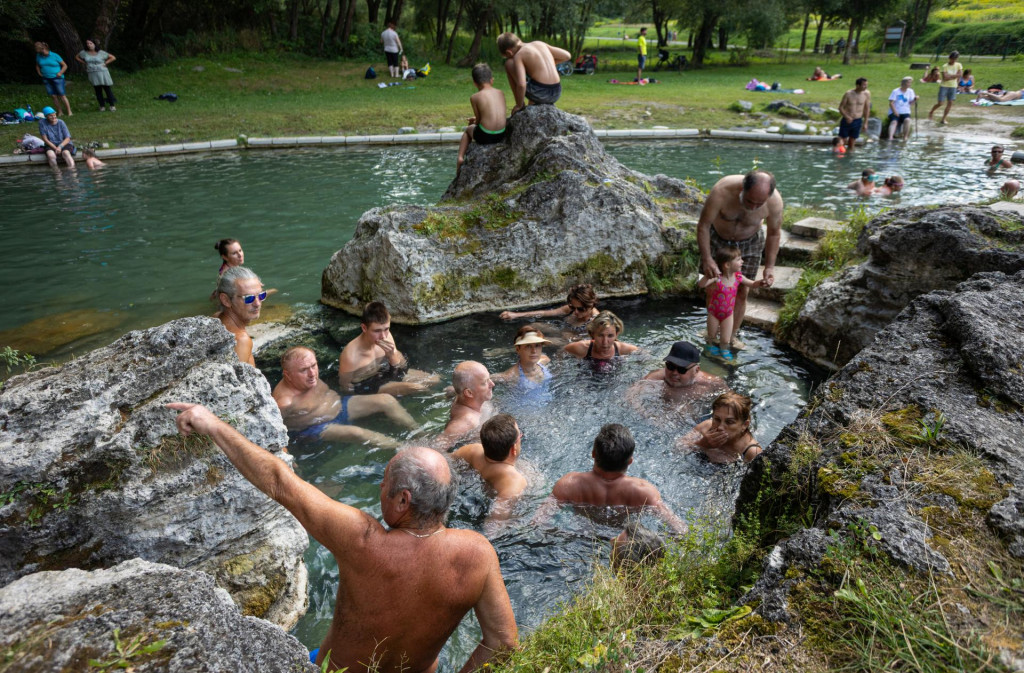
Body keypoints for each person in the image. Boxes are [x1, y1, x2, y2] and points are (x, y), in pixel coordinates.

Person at [166, 403, 518, 673]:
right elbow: (503, 643)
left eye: (384, 482)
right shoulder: (478, 554)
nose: (380, 488)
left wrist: (211, 423)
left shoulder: (363, 540)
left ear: (402, 501)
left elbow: (279, 482)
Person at [696, 171, 782, 349]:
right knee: (713, 287)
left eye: (759, 204)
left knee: (742, 290)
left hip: (749, 242)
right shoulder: (722, 190)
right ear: (743, 188)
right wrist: (707, 259)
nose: (753, 207)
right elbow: (703, 225)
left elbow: (774, 234)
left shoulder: (775, 202)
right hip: (717, 238)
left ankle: (731, 335)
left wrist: (770, 268)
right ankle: (711, 331)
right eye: (750, 201)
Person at [548, 424, 687, 533]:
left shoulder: (569, 484)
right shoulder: (644, 492)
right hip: (621, 538)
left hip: (582, 536)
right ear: (630, 461)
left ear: (593, 454)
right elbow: (680, 530)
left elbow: (538, 523)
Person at [273, 346, 417, 449]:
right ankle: (406, 448)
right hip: (315, 428)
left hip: (340, 406)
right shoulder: (284, 401)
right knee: (358, 433)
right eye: (303, 370)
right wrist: (286, 455)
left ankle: (419, 432)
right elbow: (273, 431)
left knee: (387, 400)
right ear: (288, 375)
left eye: (314, 365)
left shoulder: (309, 377)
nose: (312, 373)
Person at [339, 302, 440, 396]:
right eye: (377, 331)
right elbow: (346, 387)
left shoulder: (387, 336)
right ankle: (439, 398)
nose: (383, 336)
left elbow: (402, 367)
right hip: (367, 385)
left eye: (386, 329)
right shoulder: (351, 355)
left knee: (435, 379)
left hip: (387, 372)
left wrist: (392, 356)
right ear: (364, 328)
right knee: (416, 387)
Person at [452, 413, 527, 522]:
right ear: (513, 448)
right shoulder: (514, 482)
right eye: (520, 435)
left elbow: (445, 463)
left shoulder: (472, 450)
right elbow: (493, 526)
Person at [698, 246, 766, 360]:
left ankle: (724, 349)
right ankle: (710, 347)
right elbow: (701, 285)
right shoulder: (717, 277)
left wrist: (761, 282)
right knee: (711, 336)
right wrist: (707, 275)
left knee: (725, 339)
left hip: (728, 315)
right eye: (739, 259)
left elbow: (752, 284)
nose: (742, 261)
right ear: (727, 265)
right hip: (714, 313)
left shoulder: (738, 277)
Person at [631, 341, 728, 411]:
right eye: (670, 366)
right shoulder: (655, 378)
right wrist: (646, 415)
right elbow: (630, 396)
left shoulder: (712, 383)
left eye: (681, 369)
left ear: (696, 370)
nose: (674, 373)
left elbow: (731, 403)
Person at [675, 392, 762, 464]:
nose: (720, 427)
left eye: (729, 422)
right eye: (717, 419)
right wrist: (701, 444)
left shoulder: (751, 452)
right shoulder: (706, 426)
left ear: (744, 425)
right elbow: (676, 448)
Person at [496, 32, 571, 115]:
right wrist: (548, 64)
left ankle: (521, 104)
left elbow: (521, 84)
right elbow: (567, 56)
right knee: (535, 80)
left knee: (509, 63)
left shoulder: (519, 55)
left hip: (541, 94)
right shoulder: (539, 43)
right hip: (557, 92)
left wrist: (519, 105)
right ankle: (532, 104)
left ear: (509, 52)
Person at [499, 284, 600, 340]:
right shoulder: (572, 308)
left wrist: (572, 338)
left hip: (565, 341)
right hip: (561, 331)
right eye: (573, 307)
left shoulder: (596, 321)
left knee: (540, 341)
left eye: (581, 309)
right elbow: (545, 313)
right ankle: (514, 342)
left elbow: (590, 342)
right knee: (534, 326)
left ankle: (506, 350)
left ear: (591, 305)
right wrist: (516, 315)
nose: (576, 312)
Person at [457, 63, 507, 172]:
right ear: (492, 80)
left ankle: (460, 157)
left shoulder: (475, 97)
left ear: (475, 83)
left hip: (486, 136)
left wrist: (473, 123)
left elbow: (479, 121)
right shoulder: (501, 93)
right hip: (502, 134)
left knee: (468, 131)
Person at [436, 361, 495, 449]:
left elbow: (453, 390)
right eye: (484, 382)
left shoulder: (461, 394)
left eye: (489, 378)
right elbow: (436, 448)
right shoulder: (466, 422)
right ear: (469, 393)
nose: (492, 384)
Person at [215, 266, 265, 366]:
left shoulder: (216, 318)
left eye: (261, 295)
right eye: (249, 298)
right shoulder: (241, 340)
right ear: (226, 300)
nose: (257, 303)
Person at [491, 326, 552, 404]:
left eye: (537, 345)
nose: (534, 351)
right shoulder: (511, 376)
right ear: (517, 349)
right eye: (528, 346)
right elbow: (485, 379)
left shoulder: (544, 360)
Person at [563, 311, 638, 364]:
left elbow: (646, 359)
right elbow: (560, 353)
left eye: (610, 336)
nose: (605, 342)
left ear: (617, 334)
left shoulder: (624, 349)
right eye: (600, 335)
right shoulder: (581, 348)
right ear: (592, 334)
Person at [75, 38, 117, 111]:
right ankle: (102, 106)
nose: (89, 45)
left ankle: (112, 105)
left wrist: (105, 63)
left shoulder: (101, 52)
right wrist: (84, 63)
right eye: (87, 43)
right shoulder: (84, 52)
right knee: (97, 90)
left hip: (102, 72)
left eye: (90, 43)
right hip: (92, 72)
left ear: (94, 44)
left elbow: (113, 57)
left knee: (107, 89)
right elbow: (76, 57)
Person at [35, 42, 72, 117]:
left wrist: (60, 73)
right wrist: (39, 73)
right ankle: (60, 111)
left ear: (44, 49)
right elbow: (37, 65)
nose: (38, 52)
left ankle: (69, 111)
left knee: (62, 95)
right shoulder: (38, 56)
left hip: (57, 78)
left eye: (39, 50)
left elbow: (65, 65)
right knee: (53, 96)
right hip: (46, 78)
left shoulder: (55, 55)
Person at [837, 77, 870, 153]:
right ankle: (840, 155)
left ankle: (850, 157)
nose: (866, 87)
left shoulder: (866, 94)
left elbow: (867, 109)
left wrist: (865, 122)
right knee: (843, 140)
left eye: (866, 85)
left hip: (858, 120)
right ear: (858, 85)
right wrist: (847, 117)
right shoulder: (848, 94)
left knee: (852, 140)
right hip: (847, 120)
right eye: (864, 85)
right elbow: (841, 108)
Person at [929, 51, 962, 125]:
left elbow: (960, 74)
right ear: (949, 58)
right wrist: (955, 76)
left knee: (950, 103)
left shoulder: (959, 65)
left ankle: (943, 118)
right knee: (940, 103)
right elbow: (945, 78)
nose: (953, 60)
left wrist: (950, 76)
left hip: (953, 86)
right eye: (952, 59)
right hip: (944, 86)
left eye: (955, 59)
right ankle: (931, 111)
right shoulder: (945, 66)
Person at [887, 76, 917, 140]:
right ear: (903, 83)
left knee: (907, 120)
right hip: (895, 111)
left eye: (910, 83)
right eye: (908, 83)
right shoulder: (895, 91)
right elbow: (891, 103)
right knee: (894, 122)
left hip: (905, 111)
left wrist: (915, 99)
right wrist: (895, 112)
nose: (909, 84)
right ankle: (890, 137)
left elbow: (911, 103)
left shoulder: (911, 91)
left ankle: (905, 137)